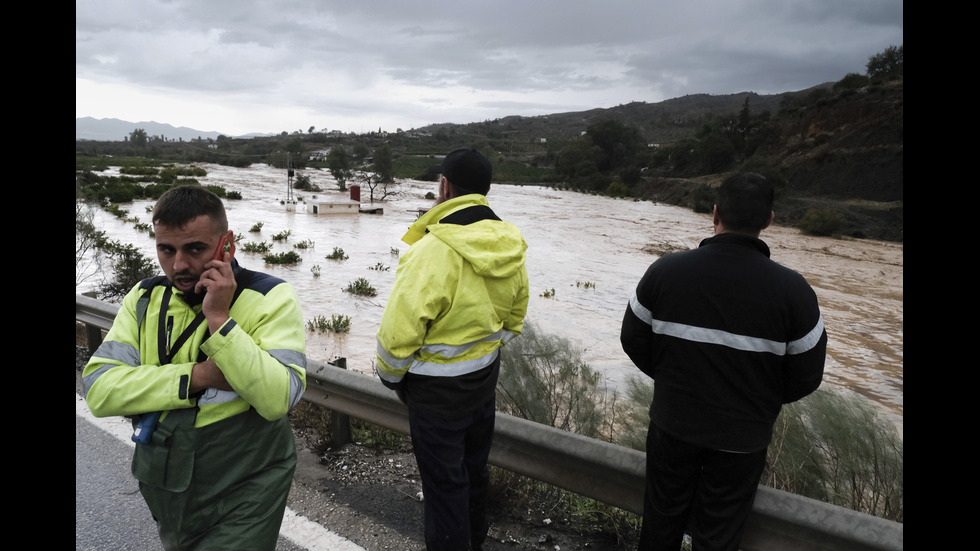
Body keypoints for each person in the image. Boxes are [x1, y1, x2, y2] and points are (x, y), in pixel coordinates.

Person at [83, 185, 307, 551]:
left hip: (246, 481)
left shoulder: (270, 297)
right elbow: (99, 389)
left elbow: (278, 398)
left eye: (195, 249)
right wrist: (197, 377)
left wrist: (219, 318)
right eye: (166, 250)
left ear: (227, 244)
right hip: (165, 480)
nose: (179, 265)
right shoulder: (144, 298)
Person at [620, 173, 826, 551]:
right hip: (742, 439)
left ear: (714, 214)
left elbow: (633, 340)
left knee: (660, 525)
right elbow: (807, 375)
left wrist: (672, 381)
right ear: (769, 221)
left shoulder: (666, 271)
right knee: (719, 537)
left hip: (673, 424)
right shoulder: (794, 291)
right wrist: (758, 402)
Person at [375, 148, 530, 551]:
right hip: (483, 383)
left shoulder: (431, 250)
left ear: (444, 186)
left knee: (445, 489)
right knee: (474, 476)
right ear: (486, 189)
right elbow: (515, 316)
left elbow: (399, 334)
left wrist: (393, 378)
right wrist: (483, 354)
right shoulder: (510, 242)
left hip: (435, 396)